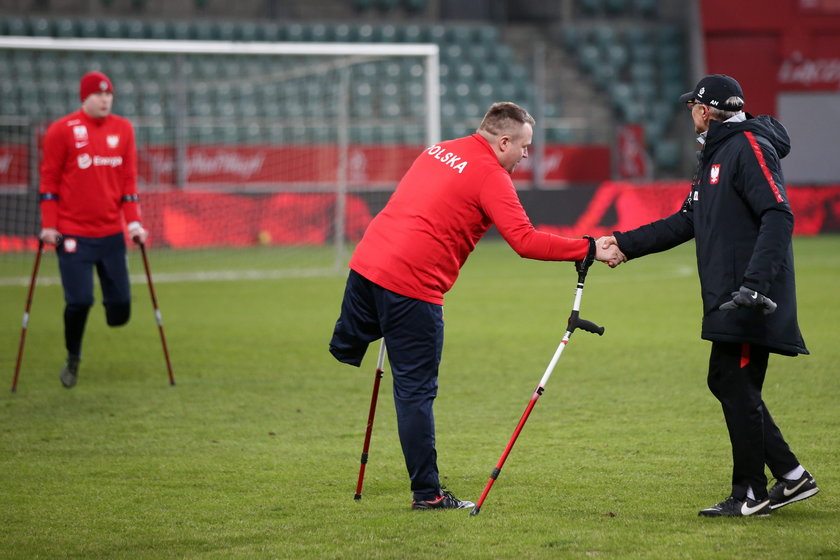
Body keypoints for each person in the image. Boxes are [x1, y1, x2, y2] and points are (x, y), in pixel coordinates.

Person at [330, 102, 623, 510]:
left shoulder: (437, 149)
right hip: (412, 285)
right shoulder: (491, 175)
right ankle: (427, 495)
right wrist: (589, 246)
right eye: (524, 146)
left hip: (364, 269)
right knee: (414, 391)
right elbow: (524, 241)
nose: (526, 154)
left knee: (354, 350)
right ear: (503, 141)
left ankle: (346, 344)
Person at [599, 74, 818, 517]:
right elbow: (686, 221)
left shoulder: (748, 146)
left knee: (733, 381)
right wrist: (623, 244)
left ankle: (751, 493)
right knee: (728, 380)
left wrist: (755, 284)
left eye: (691, 108)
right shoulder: (718, 153)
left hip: (749, 295)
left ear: (703, 111)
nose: (690, 116)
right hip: (730, 293)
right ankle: (791, 476)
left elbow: (778, 213)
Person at [39, 71, 148, 388]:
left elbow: (128, 183)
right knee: (80, 301)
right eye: (98, 95)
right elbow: (48, 183)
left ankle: (112, 306)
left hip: (111, 234)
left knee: (120, 312)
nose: (104, 99)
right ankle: (73, 356)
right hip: (72, 234)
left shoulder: (123, 129)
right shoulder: (62, 131)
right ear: (84, 97)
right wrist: (49, 227)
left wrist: (135, 224)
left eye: (109, 94)